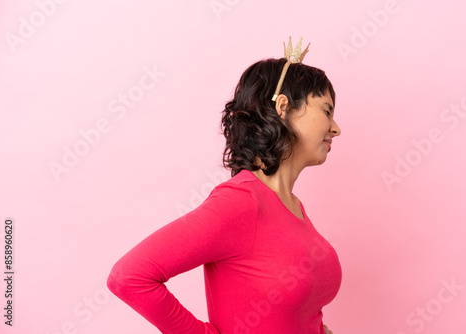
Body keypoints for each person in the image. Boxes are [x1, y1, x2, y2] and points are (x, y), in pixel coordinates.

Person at [107, 37, 342, 334]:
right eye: (326, 110)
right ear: (283, 107)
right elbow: (128, 276)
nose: (336, 127)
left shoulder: (293, 208)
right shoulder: (241, 202)